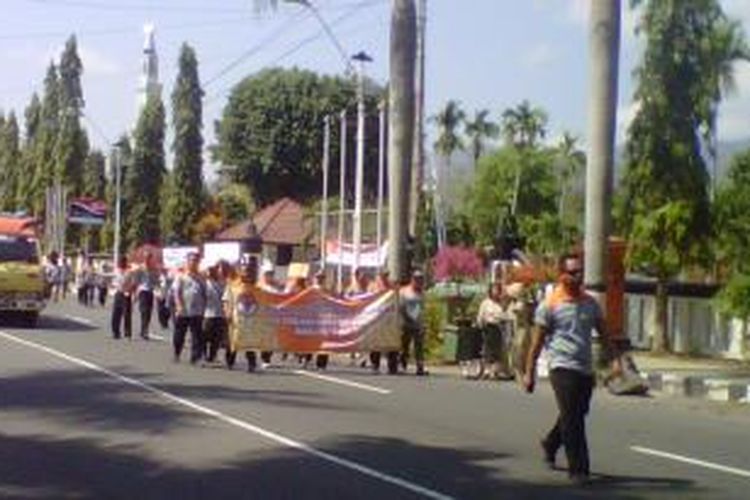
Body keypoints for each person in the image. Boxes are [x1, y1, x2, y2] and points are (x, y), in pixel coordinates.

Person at [523, 252, 621, 485]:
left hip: (585, 368)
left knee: (576, 413)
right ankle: (579, 469)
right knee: (574, 419)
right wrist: (529, 373)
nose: (578, 277)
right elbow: (536, 343)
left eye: (581, 272)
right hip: (561, 367)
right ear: (561, 275)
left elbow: (605, 335)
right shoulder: (550, 305)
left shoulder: (590, 303)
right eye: (573, 272)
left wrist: (615, 360)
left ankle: (551, 443)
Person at [223, 256, 263, 372]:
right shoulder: (233, 284)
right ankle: (230, 361)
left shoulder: (257, 286)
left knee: (249, 342)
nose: (247, 271)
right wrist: (227, 312)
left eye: (249, 269)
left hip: (251, 317)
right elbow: (226, 299)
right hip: (236, 317)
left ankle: (252, 363)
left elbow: (264, 301)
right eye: (244, 268)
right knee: (233, 340)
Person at [173, 252, 207, 364]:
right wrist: (179, 305)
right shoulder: (181, 277)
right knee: (180, 334)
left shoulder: (201, 277)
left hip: (197, 311)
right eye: (191, 260)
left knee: (197, 334)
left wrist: (205, 308)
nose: (194, 263)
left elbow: (204, 293)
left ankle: (195, 357)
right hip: (184, 310)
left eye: (196, 261)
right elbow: (177, 292)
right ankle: (177, 352)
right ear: (187, 262)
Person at [476, 281, 515, 379]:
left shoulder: (502, 304)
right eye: (494, 289)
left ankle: (496, 371)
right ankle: (488, 370)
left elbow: (508, 315)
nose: (496, 292)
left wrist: (502, 317)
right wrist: (480, 325)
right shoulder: (485, 303)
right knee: (488, 350)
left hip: (499, 328)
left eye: (498, 290)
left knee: (499, 351)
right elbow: (480, 316)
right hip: (488, 328)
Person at [368, 268, 399, 374]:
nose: (385, 276)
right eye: (383, 274)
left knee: (392, 342)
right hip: (376, 318)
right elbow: (367, 300)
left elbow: (396, 300)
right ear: (379, 275)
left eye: (386, 275)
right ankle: (375, 365)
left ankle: (392, 367)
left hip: (389, 318)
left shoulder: (392, 286)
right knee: (376, 343)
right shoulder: (373, 286)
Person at [400, 269, 428, 376]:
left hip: (418, 323)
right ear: (412, 279)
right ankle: (402, 364)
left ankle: (419, 366)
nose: (419, 281)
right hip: (406, 322)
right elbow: (401, 307)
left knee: (419, 346)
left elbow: (422, 308)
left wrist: (423, 322)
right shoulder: (404, 291)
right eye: (417, 279)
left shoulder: (422, 293)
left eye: (421, 279)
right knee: (404, 345)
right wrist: (406, 317)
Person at [203, 263, 228, 364]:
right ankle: (203, 355)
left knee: (216, 338)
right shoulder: (204, 283)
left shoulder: (224, 284)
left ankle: (212, 356)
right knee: (204, 336)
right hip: (207, 314)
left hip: (220, 314)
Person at [134, 252, 160, 340]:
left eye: (149, 257)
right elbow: (136, 281)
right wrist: (135, 293)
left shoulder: (153, 269)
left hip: (150, 291)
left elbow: (156, 280)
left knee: (149, 312)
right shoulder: (140, 268)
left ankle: (145, 329)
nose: (147, 259)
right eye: (146, 257)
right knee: (144, 311)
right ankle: (144, 330)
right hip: (142, 291)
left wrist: (158, 289)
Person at [111, 256, 135, 339]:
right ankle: (115, 332)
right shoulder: (116, 271)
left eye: (122, 262)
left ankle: (127, 332)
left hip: (126, 294)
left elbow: (133, 283)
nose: (120, 264)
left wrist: (129, 290)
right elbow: (113, 282)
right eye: (120, 262)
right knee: (116, 313)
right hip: (118, 293)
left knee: (127, 314)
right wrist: (114, 287)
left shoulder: (129, 272)